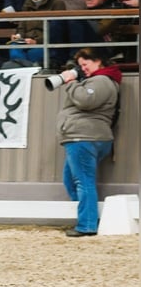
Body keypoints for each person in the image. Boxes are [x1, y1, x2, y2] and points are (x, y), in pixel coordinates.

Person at [56, 47, 122, 237]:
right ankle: (91, 218)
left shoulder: (101, 80)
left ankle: (87, 225)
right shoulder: (102, 79)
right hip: (83, 137)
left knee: (83, 182)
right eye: (80, 65)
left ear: (98, 61)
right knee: (72, 181)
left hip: (84, 137)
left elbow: (85, 101)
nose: (82, 68)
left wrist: (70, 82)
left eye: (85, 64)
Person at [7, 0, 65, 66]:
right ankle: (27, 66)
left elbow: (56, 32)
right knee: (14, 46)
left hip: (44, 44)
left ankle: (22, 65)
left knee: (30, 54)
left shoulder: (57, 3)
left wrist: (37, 41)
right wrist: (18, 36)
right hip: (26, 43)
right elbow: (21, 26)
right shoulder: (27, 3)